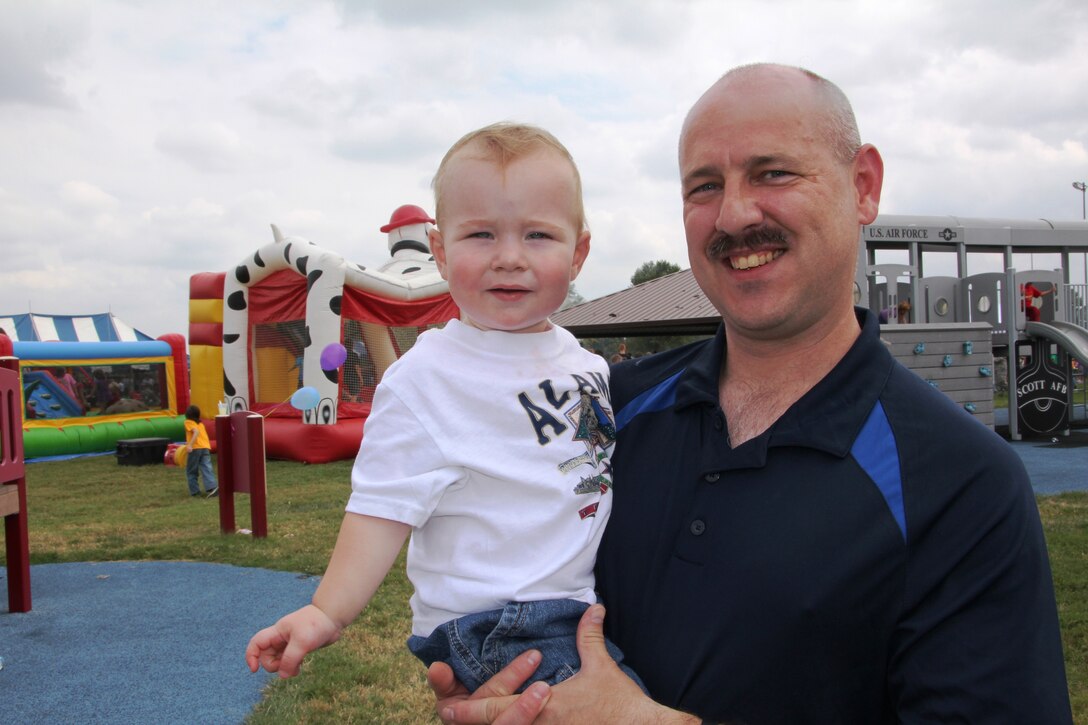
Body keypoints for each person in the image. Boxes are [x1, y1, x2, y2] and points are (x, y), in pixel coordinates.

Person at [431, 64, 1072, 724]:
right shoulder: (602, 409)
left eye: (773, 173)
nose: (734, 214)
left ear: (863, 186)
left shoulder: (961, 481)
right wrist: (500, 679)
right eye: (704, 186)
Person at [246, 122, 642, 694]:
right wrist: (326, 612)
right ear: (439, 250)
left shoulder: (586, 365)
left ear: (578, 252)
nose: (509, 258)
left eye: (538, 235)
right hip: (497, 621)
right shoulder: (426, 381)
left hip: (576, 607)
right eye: (480, 234)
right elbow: (382, 507)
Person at [183, 405, 218, 498]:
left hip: (195, 448)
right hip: (205, 447)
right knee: (207, 467)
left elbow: (196, 432)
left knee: (191, 470)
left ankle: (195, 492)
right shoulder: (201, 424)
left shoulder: (188, 422)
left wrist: (190, 445)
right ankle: (212, 487)